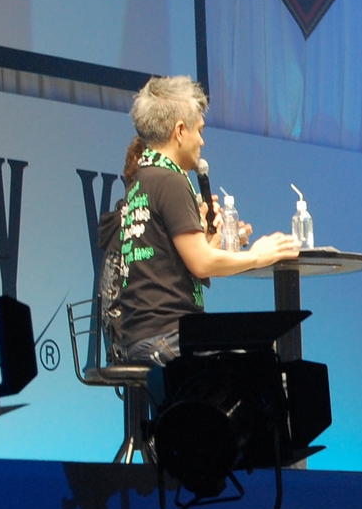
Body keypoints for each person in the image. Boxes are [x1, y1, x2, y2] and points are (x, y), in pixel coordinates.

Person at [113, 76, 300, 364]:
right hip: (165, 334)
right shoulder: (170, 181)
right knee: (260, 361)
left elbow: (175, 265)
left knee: (254, 348)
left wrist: (211, 243)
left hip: (141, 335)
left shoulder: (143, 178)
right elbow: (200, 263)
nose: (201, 140)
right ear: (180, 131)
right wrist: (257, 256)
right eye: (199, 130)